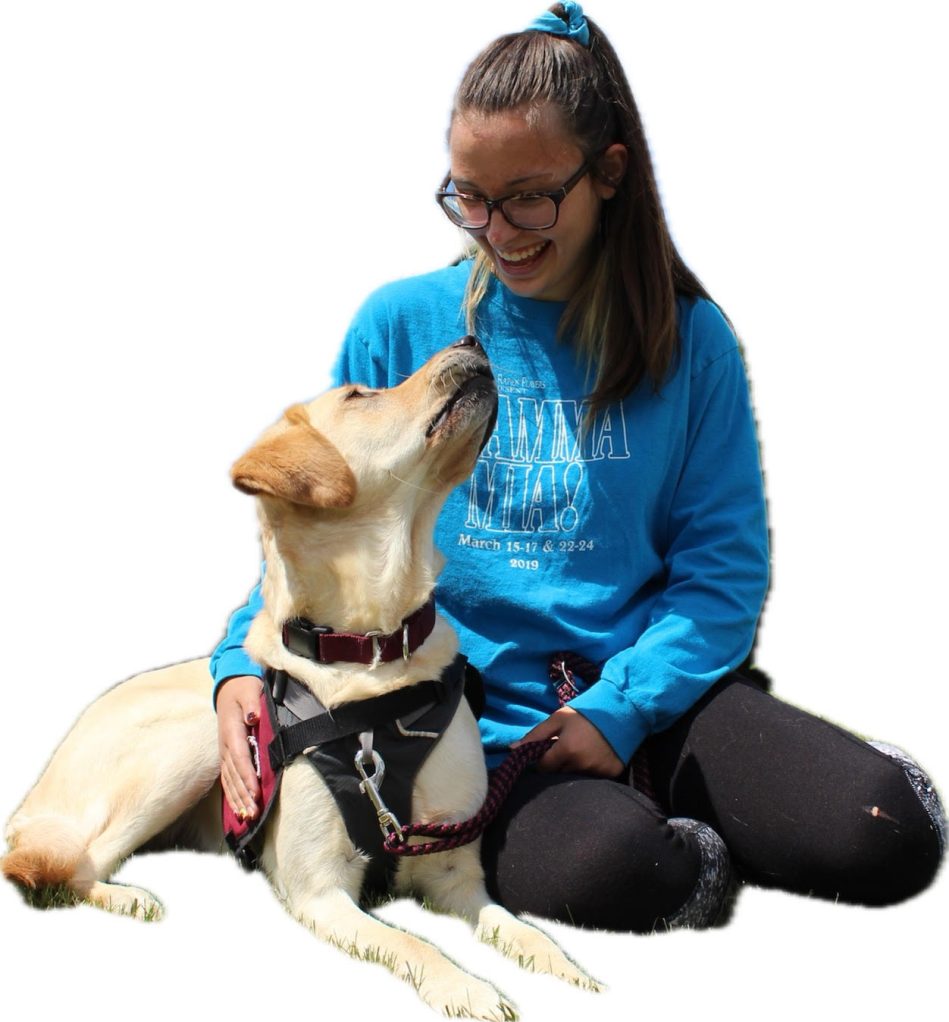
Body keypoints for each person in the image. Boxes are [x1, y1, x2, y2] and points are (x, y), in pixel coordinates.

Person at [211, 3, 944, 931]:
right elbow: (313, 534)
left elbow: (720, 573)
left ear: (607, 173)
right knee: (612, 869)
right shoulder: (400, 327)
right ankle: (684, 849)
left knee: (884, 834)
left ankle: (770, 792)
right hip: (468, 732)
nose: (497, 230)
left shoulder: (692, 343)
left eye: (527, 197)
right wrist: (240, 662)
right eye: (468, 196)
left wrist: (622, 709)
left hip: (660, 694)